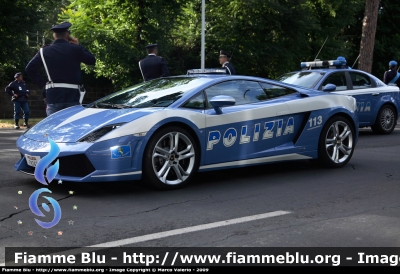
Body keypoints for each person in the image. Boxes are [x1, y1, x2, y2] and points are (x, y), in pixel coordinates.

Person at [25, 22, 96, 116]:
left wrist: (44, 85)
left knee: (54, 126)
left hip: (53, 95)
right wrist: (79, 45)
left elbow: (29, 69)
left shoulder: (45, 50)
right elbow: (91, 60)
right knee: (71, 126)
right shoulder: (76, 49)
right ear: (67, 35)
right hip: (73, 95)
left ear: (54, 35)